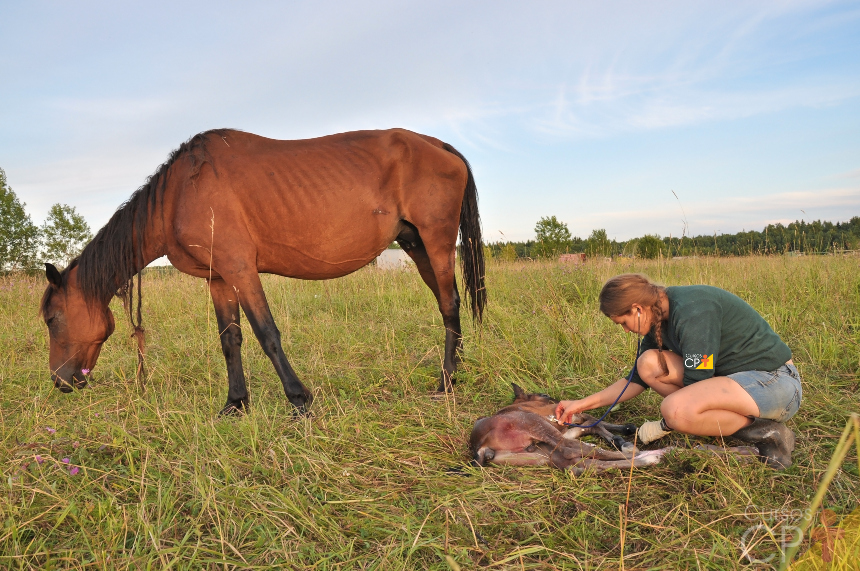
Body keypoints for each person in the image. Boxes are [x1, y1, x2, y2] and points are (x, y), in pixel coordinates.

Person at [554, 273, 801, 469]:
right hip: (734, 382)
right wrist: (582, 404)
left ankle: (770, 434)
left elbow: (698, 378)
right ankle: (725, 422)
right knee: (648, 363)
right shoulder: (657, 314)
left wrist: (666, 424)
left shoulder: (694, 310)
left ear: (638, 309)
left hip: (774, 382)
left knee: (675, 410)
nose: (626, 331)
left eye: (623, 323)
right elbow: (637, 379)